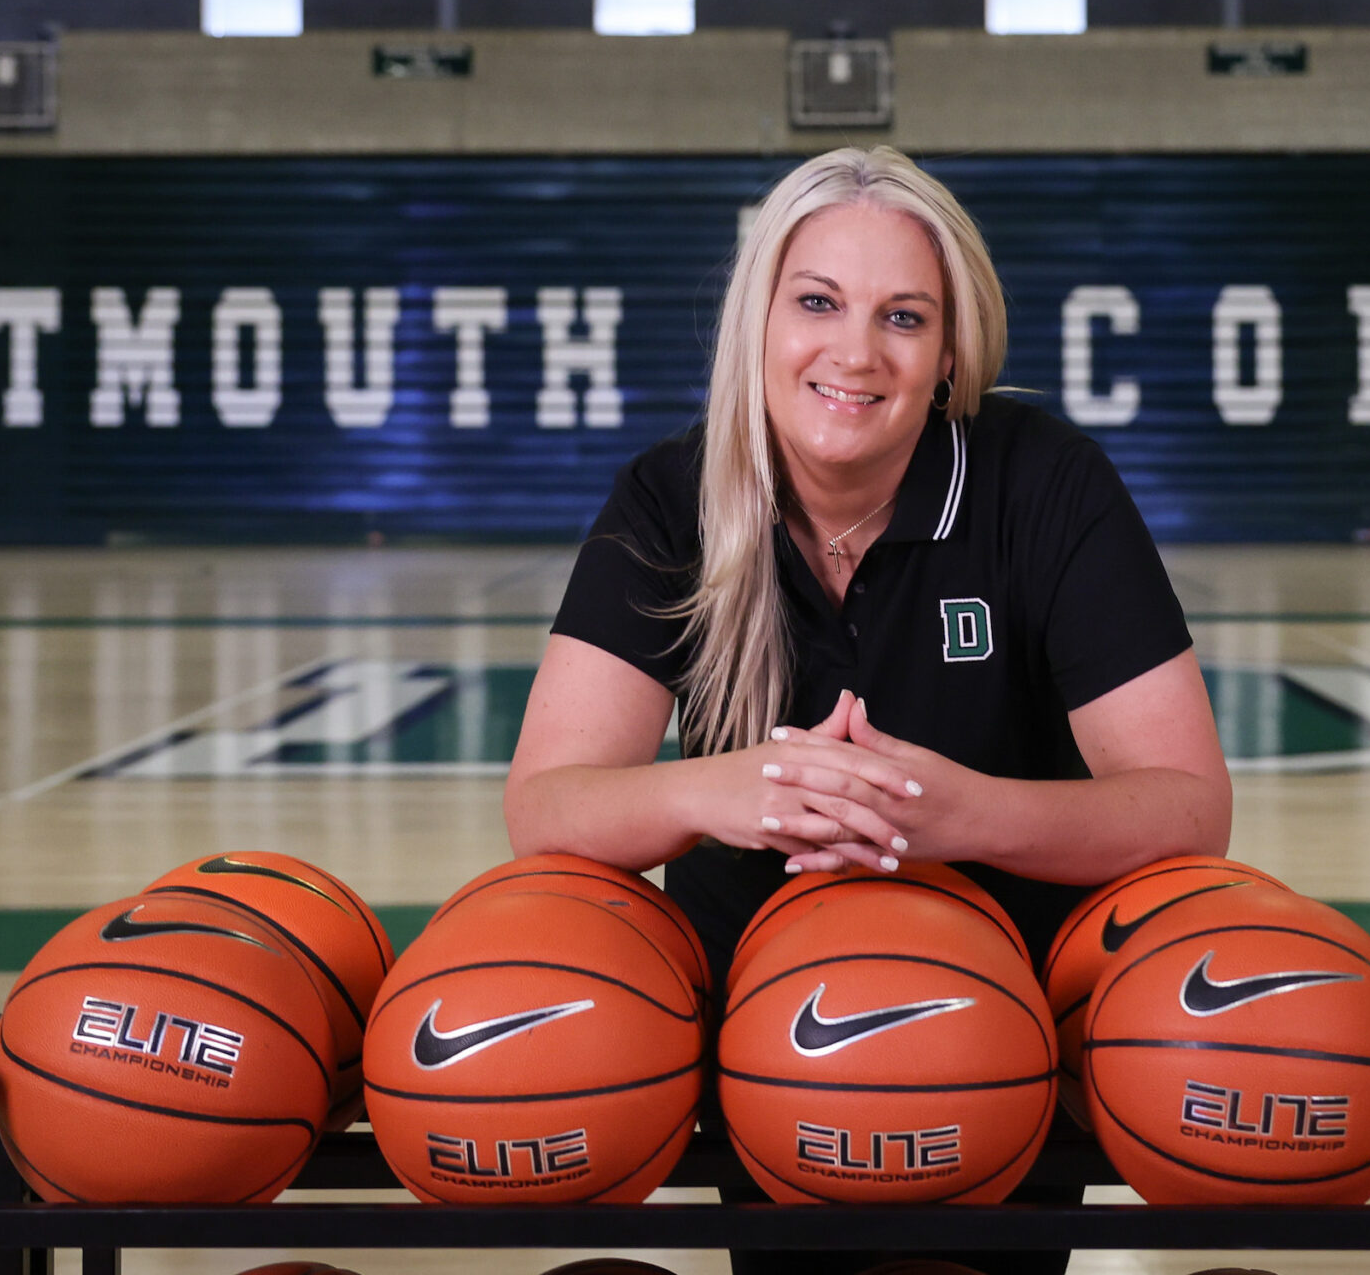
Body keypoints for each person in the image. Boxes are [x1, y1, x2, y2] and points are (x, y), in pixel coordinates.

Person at [507, 146, 1231, 1275]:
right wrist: (732, 789)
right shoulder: (671, 499)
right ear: (758, 323)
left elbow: (1188, 809)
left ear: (949, 354)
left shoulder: (1043, 484)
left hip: (1006, 1042)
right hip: (761, 1039)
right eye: (816, 303)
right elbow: (545, 808)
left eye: (903, 316)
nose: (854, 351)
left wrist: (958, 815)